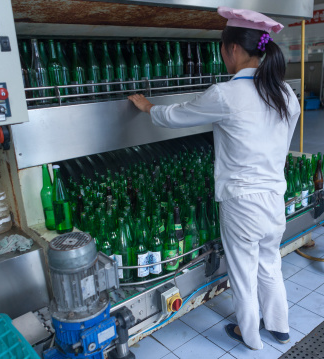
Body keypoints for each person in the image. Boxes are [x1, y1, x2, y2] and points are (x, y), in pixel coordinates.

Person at [128, 7, 300, 351]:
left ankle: (250, 337)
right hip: (273, 198)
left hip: (242, 202)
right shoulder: (285, 94)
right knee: (270, 262)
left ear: (232, 49)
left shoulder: (226, 94)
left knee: (242, 271)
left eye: (222, 50)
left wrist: (148, 108)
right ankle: (279, 327)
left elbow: (178, 117)